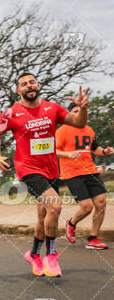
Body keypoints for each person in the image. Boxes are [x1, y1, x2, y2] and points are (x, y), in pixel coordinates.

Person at [0, 73, 90, 278]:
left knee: (44, 216)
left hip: (51, 169)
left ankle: (34, 254)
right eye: (24, 84)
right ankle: (51, 255)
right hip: (27, 169)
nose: (29, 86)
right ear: (18, 91)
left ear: (38, 85)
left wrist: (84, 109)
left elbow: (79, 123)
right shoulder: (12, 113)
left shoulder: (53, 109)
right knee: (56, 206)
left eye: (32, 82)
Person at [56, 101, 114, 249]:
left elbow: (95, 148)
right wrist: (68, 153)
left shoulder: (88, 129)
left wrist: (104, 151)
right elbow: (53, 151)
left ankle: (93, 239)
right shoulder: (62, 131)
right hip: (72, 173)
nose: (79, 114)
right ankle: (71, 224)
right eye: (75, 111)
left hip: (90, 170)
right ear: (69, 115)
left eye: (81, 111)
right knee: (87, 207)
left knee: (101, 203)